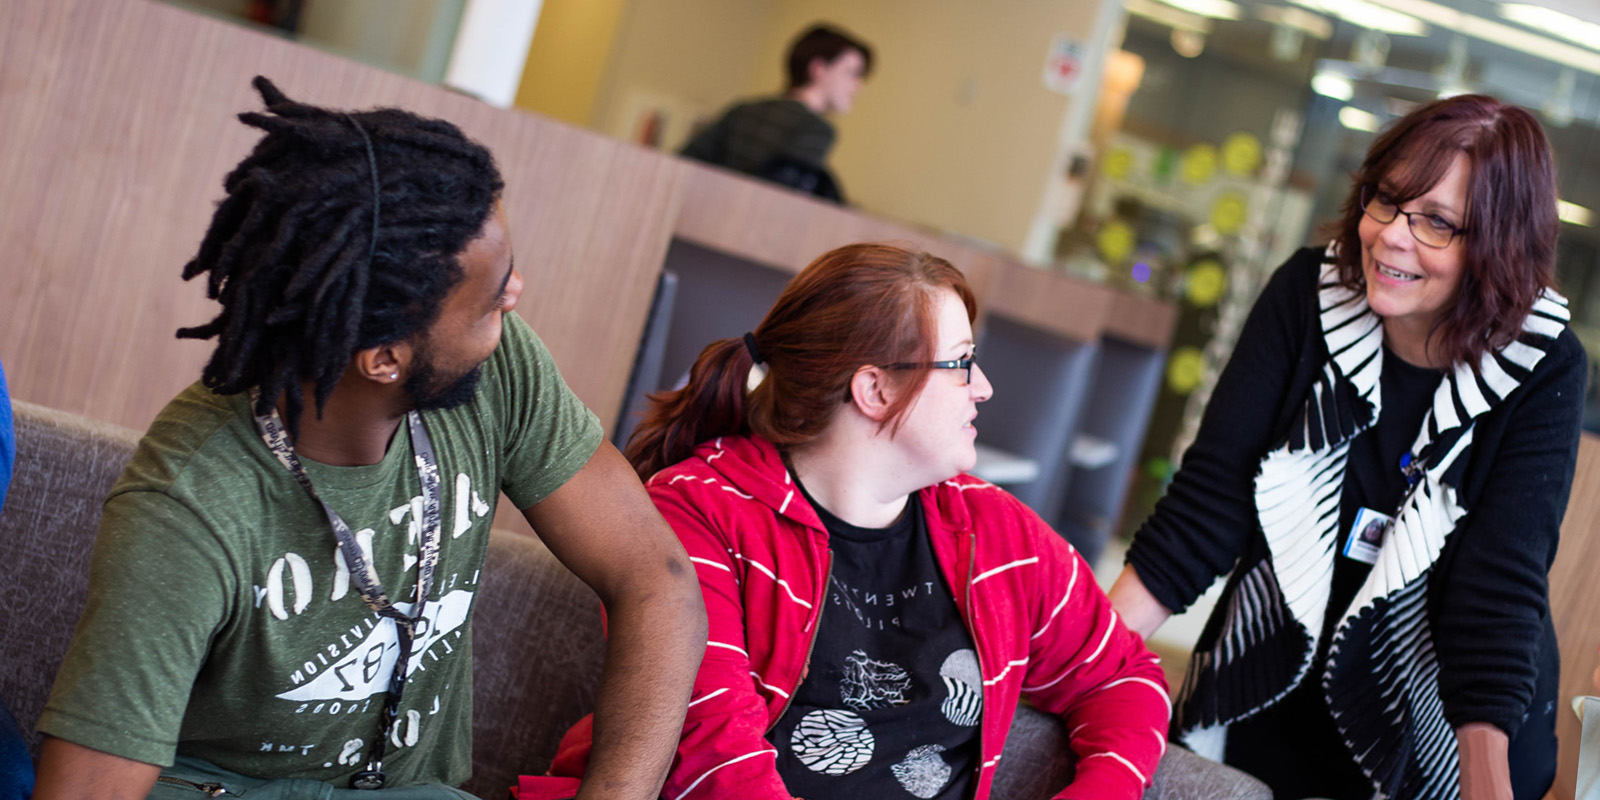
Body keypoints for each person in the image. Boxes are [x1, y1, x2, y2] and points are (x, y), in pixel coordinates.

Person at [32, 78, 706, 800]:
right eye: (490, 298)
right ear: (385, 358)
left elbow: (657, 582)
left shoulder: (500, 367)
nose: (515, 296)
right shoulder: (192, 500)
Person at [533, 244, 1170, 800]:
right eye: (961, 363)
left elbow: (1123, 676)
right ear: (874, 390)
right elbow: (709, 758)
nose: (984, 389)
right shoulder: (701, 513)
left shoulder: (996, 533)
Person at [1107, 94, 1583, 800]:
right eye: (1386, 201)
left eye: (1438, 223)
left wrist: (1488, 786)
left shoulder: (1542, 365)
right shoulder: (1308, 294)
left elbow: (1497, 592)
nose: (1392, 236)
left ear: (1496, 245)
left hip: (1440, 725)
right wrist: (1073, 661)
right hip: (1270, 677)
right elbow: (1207, 508)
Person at [679, 24, 872, 203]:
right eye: (851, 73)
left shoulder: (743, 109)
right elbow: (782, 199)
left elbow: (686, 161)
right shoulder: (817, 129)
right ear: (818, 69)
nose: (857, 85)